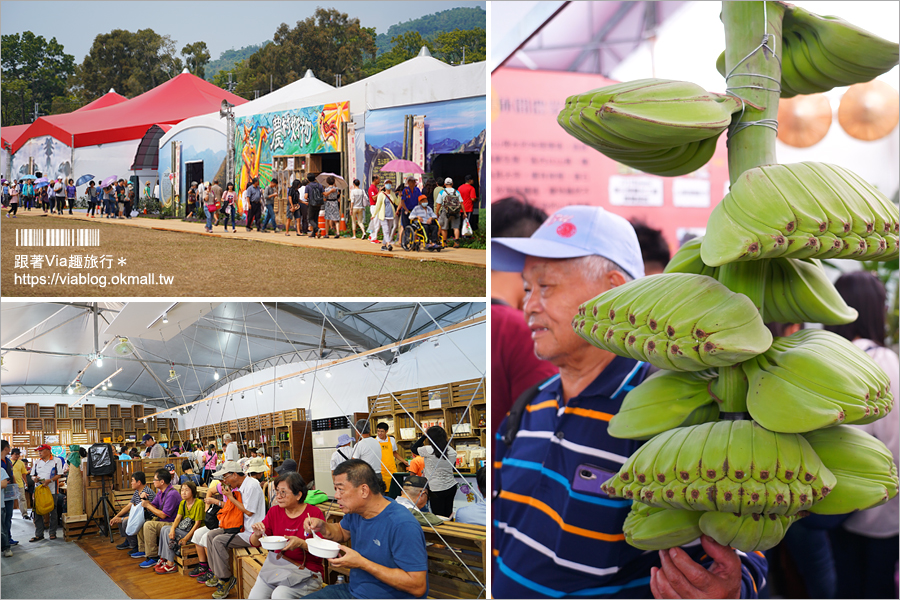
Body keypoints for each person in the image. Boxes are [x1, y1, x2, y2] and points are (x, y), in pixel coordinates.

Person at [491, 205, 766, 599]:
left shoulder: (669, 412)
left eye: (546, 287)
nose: (528, 305)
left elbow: (744, 539)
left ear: (613, 290)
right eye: (528, 288)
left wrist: (735, 587)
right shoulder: (527, 408)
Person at [824, 270, 899, 599]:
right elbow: (893, 437)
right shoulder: (882, 361)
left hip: (836, 505)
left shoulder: (823, 361)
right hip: (881, 508)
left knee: (846, 583)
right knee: (878, 586)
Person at [303, 459, 428, 599]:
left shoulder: (402, 524)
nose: (336, 495)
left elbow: (418, 586)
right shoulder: (356, 512)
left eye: (341, 489)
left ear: (363, 490)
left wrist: (362, 563)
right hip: (355, 592)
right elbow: (342, 532)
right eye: (335, 489)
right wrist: (323, 526)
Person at [247, 471, 325, 598]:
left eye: (283, 492)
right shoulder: (274, 512)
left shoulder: (313, 514)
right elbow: (254, 542)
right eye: (277, 491)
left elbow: (322, 549)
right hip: (277, 567)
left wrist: (301, 543)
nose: (278, 496)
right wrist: (257, 534)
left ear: (298, 495)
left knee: (280, 595)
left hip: (307, 571)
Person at [204, 461, 266, 599]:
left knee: (219, 541)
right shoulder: (238, 486)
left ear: (234, 475)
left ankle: (226, 579)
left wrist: (230, 497)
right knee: (210, 535)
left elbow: (249, 512)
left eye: (225, 477)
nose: (224, 481)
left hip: (251, 532)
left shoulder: (252, 485)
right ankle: (217, 573)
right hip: (239, 527)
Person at [133, 468, 181, 568]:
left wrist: (148, 505)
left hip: (172, 523)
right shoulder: (160, 492)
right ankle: (143, 550)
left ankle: (153, 556)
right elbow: (153, 505)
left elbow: (163, 515)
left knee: (149, 525)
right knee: (142, 521)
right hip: (163, 521)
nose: (153, 481)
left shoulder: (172, 494)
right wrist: (145, 500)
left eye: (155, 479)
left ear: (162, 482)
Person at [155, 481, 204, 574]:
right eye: (182, 490)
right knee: (164, 529)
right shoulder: (183, 503)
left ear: (193, 492)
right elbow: (178, 518)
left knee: (166, 531)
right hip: (184, 529)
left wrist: (186, 538)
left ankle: (170, 564)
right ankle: (164, 558)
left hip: (193, 532)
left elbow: (197, 524)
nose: (183, 493)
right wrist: (172, 529)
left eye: (187, 490)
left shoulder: (199, 503)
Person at [410, 426, 457, 518]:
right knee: (448, 514)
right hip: (451, 486)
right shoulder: (452, 451)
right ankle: (449, 531)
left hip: (435, 488)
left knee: (438, 516)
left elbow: (414, 448)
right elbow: (453, 466)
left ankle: (441, 532)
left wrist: (424, 436)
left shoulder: (428, 450)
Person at [110, 471, 155, 551]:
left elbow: (142, 514)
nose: (131, 483)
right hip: (139, 515)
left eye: (132, 480)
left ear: (139, 482)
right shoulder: (137, 492)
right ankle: (129, 540)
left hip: (147, 517)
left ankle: (135, 545)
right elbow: (128, 506)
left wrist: (122, 519)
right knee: (121, 517)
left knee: (124, 521)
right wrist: (116, 517)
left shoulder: (147, 492)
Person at [28, 444, 65, 542]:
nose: (39, 453)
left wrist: (50, 480)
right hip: (39, 490)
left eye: (41, 451)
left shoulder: (56, 461)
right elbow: (32, 475)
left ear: (48, 451)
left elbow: (59, 474)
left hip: (52, 490)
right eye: (38, 451)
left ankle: (52, 533)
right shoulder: (36, 462)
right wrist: (34, 479)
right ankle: (39, 534)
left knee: (53, 511)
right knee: (38, 511)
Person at [375, 423, 408, 499]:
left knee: (393, 491)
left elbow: (394, 453)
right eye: (378, 431)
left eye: (382, 431)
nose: (379, 433)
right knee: (382, 492)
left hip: (391, 469)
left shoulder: (391, 440)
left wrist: (404, 461)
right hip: (380, 470)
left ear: (387, 431)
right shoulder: (375, 441)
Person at [351, 420, 383, 489]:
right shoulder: (376, 442)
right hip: (378, 474)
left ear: (357, 431)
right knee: (378, 497)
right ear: (370, 430)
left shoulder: (359, 445)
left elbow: (353, 463)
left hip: (366, 476)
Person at [372, 180, 398, 251]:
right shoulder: (381, 194)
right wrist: (374, 214)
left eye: (390, 183)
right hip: (383, 216)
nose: (389, 185)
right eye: (387, 184)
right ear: (384, 185)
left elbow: (397, 202)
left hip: (391, 215)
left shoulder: (392, 194)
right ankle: (389, 244)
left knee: (388, 231)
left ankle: (383, 245)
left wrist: (401, 197)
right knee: (386, 230)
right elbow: (378, 205)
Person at [436, 178, 463, 248]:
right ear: (452, 184)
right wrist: (464, 212)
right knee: (456, 227)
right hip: (456, 211)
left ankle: (444, 243)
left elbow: (438, 204)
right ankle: (456, 242)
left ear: (444, 184)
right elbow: (461, 203)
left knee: (444, 227)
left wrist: (437, 212)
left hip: (446, 211)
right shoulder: (457, 192)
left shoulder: (442, 192)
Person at [1, 441, 17, 551]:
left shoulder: (8, 461)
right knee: (3, 518)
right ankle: (4, 541)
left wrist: (15, 489)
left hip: (10, 492)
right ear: (6, 448)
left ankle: (8, 537)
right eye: (9, 447)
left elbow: (12, 475)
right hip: (2, 493)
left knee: (9, 516)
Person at [10, 448, 29, 520]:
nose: (17, 456)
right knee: (10, 500)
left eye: (18, 454)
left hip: (19, 484)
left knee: (22, 499)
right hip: (10, 485)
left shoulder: (21, 463)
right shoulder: (8, 462)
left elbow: (23, 474)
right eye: (16, 454)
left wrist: (25, 482)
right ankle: (9, 514)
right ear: (12, 454)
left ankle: (24, 514)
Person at [305, 173, 325, 238]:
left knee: (310, 219)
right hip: (319, 203)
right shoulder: (320, 185)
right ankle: (313, 234)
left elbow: (305, 197)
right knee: (316, 218)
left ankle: (317, 228)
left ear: (308, 179)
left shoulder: (308, 186)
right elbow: (323, 193)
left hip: (312, 204)